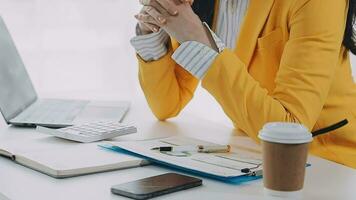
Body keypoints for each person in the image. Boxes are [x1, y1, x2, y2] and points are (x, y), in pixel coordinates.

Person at [130, 0, 356, 169]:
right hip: (250, 157)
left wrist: (199, 40)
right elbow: (166, 104)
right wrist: (154, 26)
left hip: (327, 162)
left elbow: (288, 131)